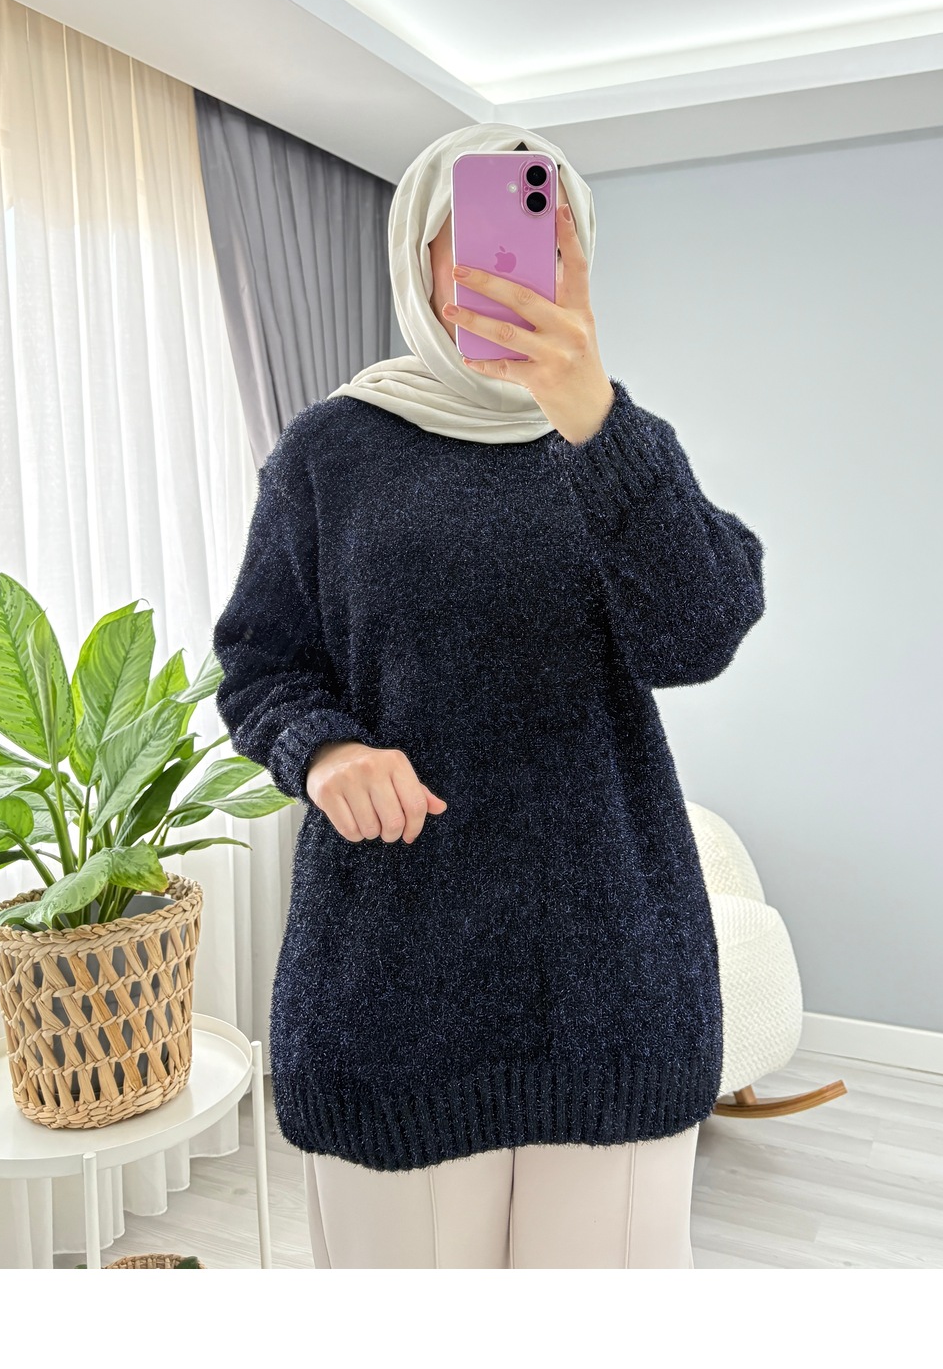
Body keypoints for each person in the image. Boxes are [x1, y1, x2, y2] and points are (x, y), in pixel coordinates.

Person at [212, 121, 766, 1269]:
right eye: (467, 231)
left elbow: (701, 631)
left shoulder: (622, 445)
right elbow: (261, 660)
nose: (507, 258)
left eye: (540, 232)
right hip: (391, 979)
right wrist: (325, 752)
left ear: (579, 258)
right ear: (417, 255)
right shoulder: (329, 452)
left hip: (613, 975)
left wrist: (595, 422)